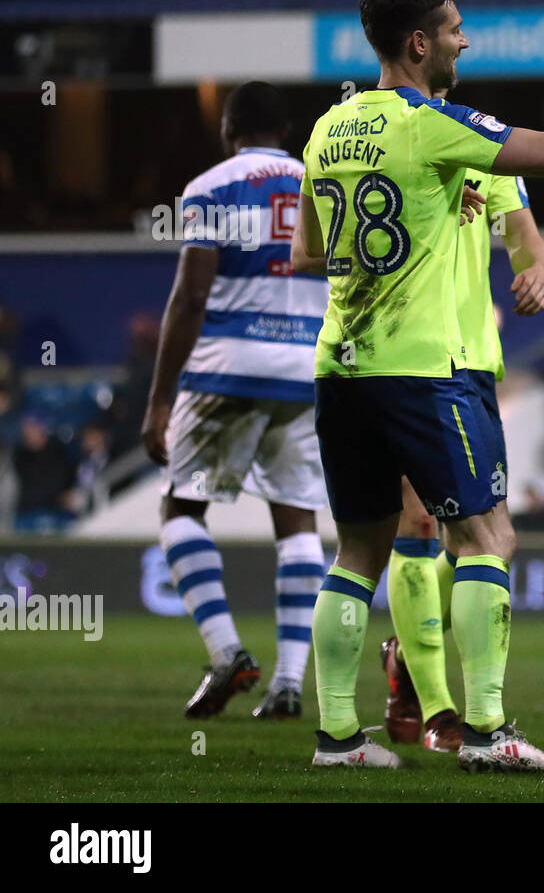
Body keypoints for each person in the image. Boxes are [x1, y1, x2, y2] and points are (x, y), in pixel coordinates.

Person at [291, 0, 544, 770]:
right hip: (427, 369)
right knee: (487, 536)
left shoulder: (328, 130)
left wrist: (404, 229)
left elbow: (306, 252)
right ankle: (487, 731)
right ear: (419, 43)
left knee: (356, 552)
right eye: (456, 28)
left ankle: (338, 737)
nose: (465, 40)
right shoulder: (432, 124)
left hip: (342, 366)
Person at [141, 81, 329, 721]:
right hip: (307, 368)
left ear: (229, 129)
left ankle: (227, 654)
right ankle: (289, 683)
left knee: (181, 507)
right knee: (298, 518)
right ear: (288, 131)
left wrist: (160, 399)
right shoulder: (322, 180)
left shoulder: (213, 186)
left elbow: (191, 298)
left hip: (226, 369)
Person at [380, 103, 544, 755]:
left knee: (481, 540)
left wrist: (534, 267)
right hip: (407, 357)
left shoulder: (488, 150)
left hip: (475, 362)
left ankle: (403, 652)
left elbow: (525, 235)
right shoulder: (393, 146)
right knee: (419, 521)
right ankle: (440, 706)